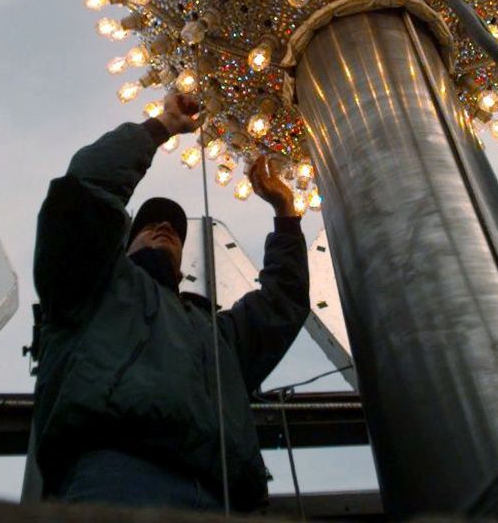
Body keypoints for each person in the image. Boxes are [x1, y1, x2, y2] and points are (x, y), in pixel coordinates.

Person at [32, 92, 310, 511]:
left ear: (184, 261)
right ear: (120, 247)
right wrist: (161, 126)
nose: (164, 227)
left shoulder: (217, 335)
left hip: (225, 498)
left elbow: (283, 302)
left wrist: (286, 212)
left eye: (175, 231)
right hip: (118, 479)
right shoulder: (91, 290)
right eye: (147, 226)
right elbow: (86, 190)